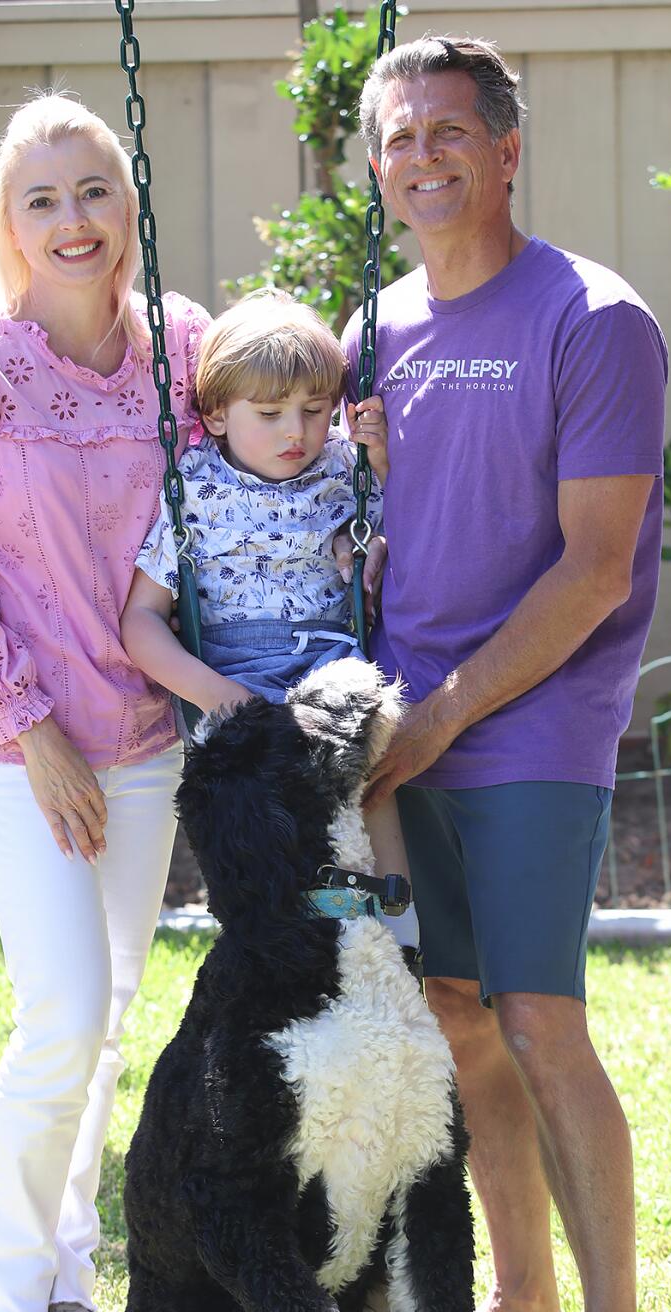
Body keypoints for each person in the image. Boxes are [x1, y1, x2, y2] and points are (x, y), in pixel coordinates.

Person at [344, 36, 669, 1312]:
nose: (424, 158)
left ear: (508, 147)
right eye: (398, 137)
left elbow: (594, 572)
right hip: (407, 733)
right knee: (458, 1014)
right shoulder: (377, 329)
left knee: (539, 1018)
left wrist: (446, 714)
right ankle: (524, 1307)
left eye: (450, 133)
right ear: (373, 163)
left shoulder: (596, 320)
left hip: (528, 721)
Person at [0, 93, 210, 1312]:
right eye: (43, 198)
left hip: (143, 737)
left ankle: (71, 1282)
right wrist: (32, 733)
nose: (72, 219)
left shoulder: (184, 349)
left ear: (126, 205)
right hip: (20, 744)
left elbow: (258, 464)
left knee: (111, 1019)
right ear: (9, 227)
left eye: (93, 191)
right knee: (63, 1013)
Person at [120, 290, 412, 915]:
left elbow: (403, 535)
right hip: (231, 670)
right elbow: (140, 622)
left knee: (365, 749)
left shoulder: (345, 468)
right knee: (254, 788)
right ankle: (273, 916)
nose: (296, 432)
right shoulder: (194, 488)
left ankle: (392, 910)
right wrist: (220, 699)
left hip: (330, 660)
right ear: (219, 415)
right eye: (271, 413)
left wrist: (367, 544)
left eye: (314, 410)